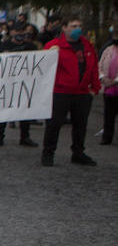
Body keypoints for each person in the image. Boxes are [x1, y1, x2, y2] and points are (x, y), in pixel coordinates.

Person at [41, 17, 100, 167]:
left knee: (81, 125)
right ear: (64, 28)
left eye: (79, 25)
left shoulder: (87, 46)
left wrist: (95, 87)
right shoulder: (54, 46)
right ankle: (48, 153)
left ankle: (78, 153)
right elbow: (43, 67)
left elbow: (93, 67)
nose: (78, 29)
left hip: (82, 92)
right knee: (54, 124)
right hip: (61, 91)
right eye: (74, 26)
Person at [0, 24, 40, 147]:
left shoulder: (31, 46)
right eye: (17, 31)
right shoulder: (5, 45)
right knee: (2, 110)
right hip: (7, 83)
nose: (20, 33)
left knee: (25, 110)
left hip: (25, 83)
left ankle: (25, 136)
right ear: (12, 32)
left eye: (22, 31)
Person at [100, 23, 118, 146]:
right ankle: (107, 137)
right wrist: (103, 78)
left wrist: (116, 80)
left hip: (115, 84)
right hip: (108, 88)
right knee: (108, 114)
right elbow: (100, 65)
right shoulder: (108, 49)